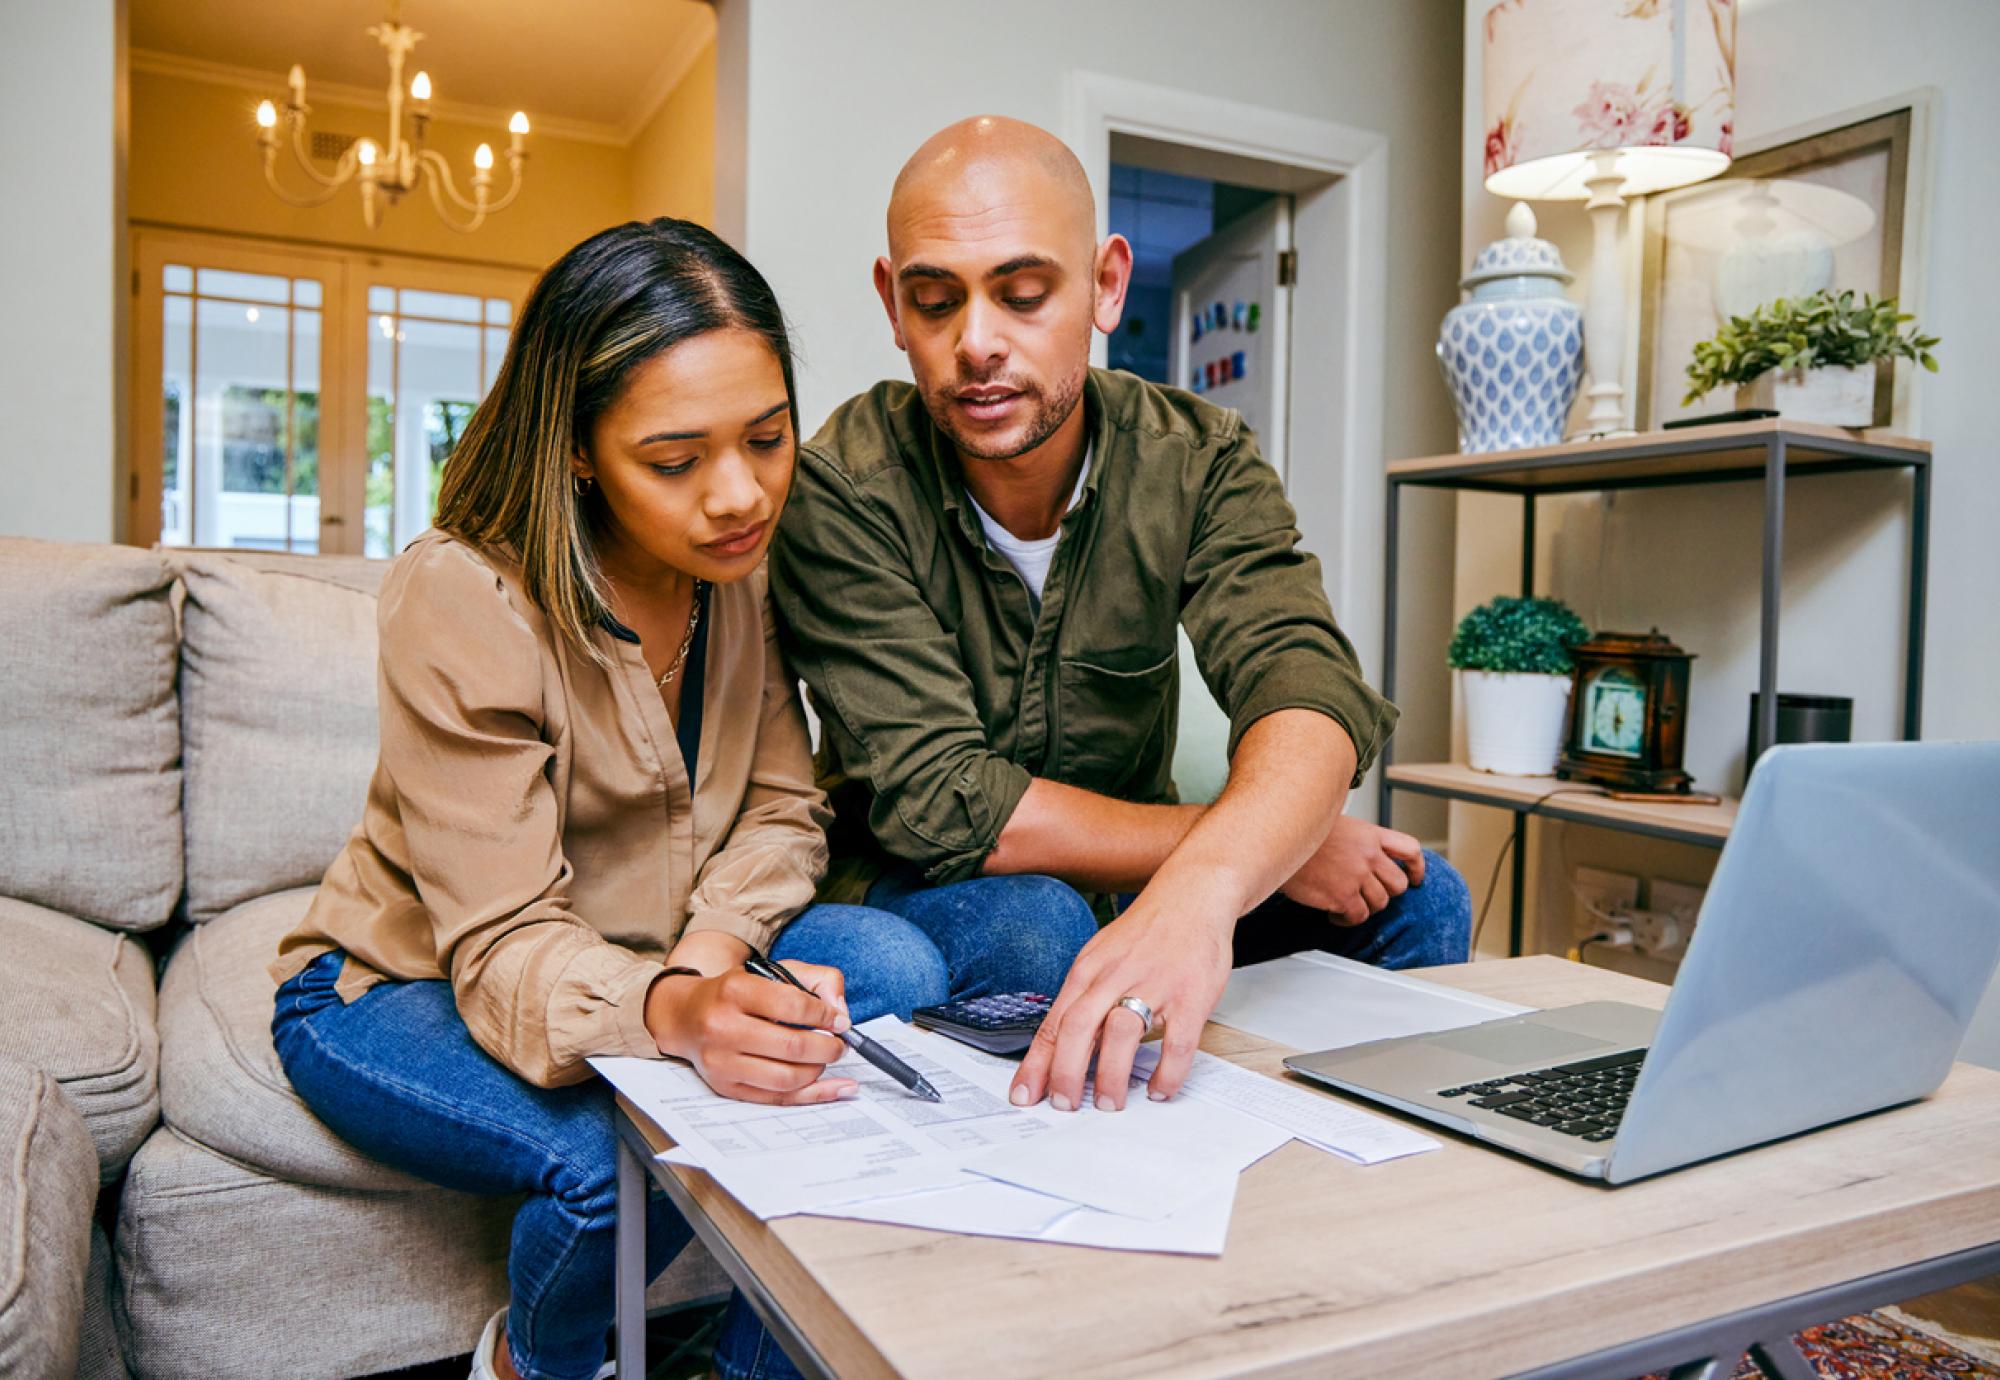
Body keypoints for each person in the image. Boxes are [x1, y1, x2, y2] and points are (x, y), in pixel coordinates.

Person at [267, 219, 1089, 1380]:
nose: (739, 494)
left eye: (767, 436)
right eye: (674, 460)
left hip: (650, 950)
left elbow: (779, 808)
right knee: (616, 1168)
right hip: (400, 980)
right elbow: (499, 942)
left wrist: (705, 963)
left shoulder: (731, 572)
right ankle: (531, 1362)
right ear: (579, 450)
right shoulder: (459, 598)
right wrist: (676, 1011)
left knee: (895, 980)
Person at [769, 117, 1472, 1126]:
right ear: (892, 304)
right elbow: (953, 803)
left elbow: (1303, 685)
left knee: (1419, 895)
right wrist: (1229, 855)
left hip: (1140, 887)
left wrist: (1207, 889)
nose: (976, 343)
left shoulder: (1198, 459)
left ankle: (1319, 1188)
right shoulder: (841, 486)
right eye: (934, 302)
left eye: (1021, 294)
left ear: (1104, 286)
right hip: (922, 880)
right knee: (1036, 926)